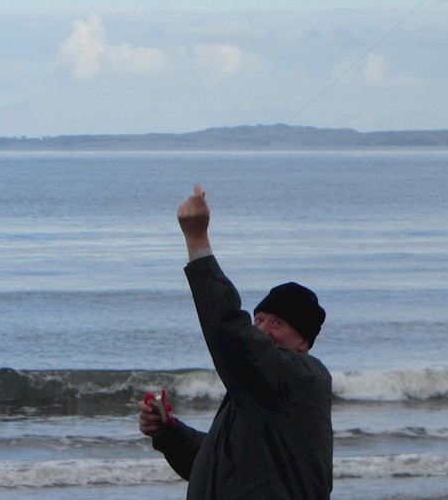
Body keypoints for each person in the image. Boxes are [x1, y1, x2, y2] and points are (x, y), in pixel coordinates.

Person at [139, 184, 333, 500]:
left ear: (303, 343)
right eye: (259, 319)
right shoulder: (255, 391)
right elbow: (221, 466)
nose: (263, 329)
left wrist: (197, 242)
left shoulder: (300, 375)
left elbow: (229, 332)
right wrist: (167, 432)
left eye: (278, 323)